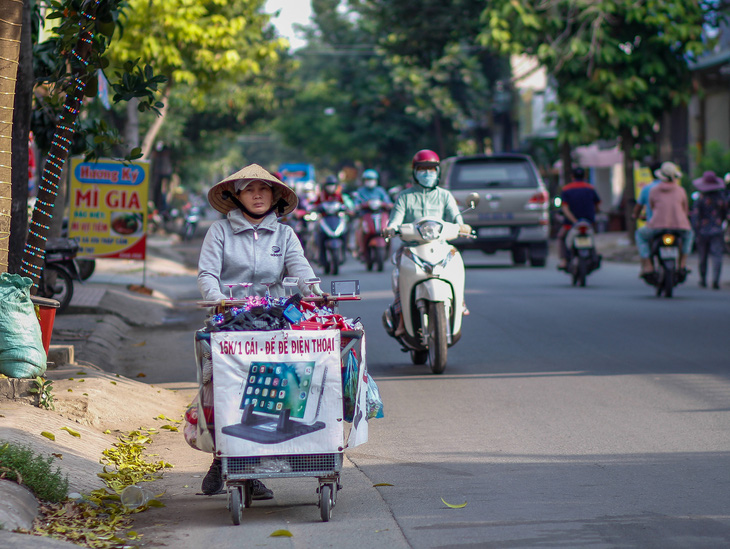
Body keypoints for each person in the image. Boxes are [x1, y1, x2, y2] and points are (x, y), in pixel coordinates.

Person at [197, 163, 324, 497]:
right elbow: (208, 274)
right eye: (250, 189)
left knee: (277, 385)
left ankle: (272, 455)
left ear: (274, 196)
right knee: (223, 387)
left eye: (264, 189)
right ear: (236, 196)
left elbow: (300, 272)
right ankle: (221, 458)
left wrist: (314, 290)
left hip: (275, 322)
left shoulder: (284, 234)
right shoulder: (219, 232)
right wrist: (218, 299)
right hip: (230, 321)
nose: (257, 195)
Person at [384, 149, 471, 333]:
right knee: (399, 277)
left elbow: (457, 218)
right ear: (414, 172)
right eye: (422, 169)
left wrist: (463, 227)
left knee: (456, 264)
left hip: (440, 246)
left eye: (431, 169)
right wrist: (391, 227)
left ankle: (459, 301)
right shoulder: (405, 197)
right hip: (412, 248)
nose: (427, 173)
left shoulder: (445, 195)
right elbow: (395, 220)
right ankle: (401, 318)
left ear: (438, 172)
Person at [636, 161, 693, 279]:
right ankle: (682, 263)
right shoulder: (681, 190)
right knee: (689, 235)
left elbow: (652, 208)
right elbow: (685, 210)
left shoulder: (652, 190)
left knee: (640, 235)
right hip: (679, 227)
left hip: (657, 226)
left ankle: (647, 265)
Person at [557, 166, 601, 270]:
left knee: (561, 237)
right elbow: (597, 205)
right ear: (584, 176)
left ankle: (564, 260)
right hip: (588, 222)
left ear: (572, 176)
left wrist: (574, 221)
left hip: (571, 224)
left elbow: (565, 208)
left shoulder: (566, 189)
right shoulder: (590, 188)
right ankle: (595, 253)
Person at [691, 171, 728, 289]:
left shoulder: (700, 198)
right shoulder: (722, 198)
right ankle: (716, 280)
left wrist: (695, 230)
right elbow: (726, 215)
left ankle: (703, 279)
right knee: (717, 256)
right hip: (717, 230)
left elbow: (695, 216)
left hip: (702, 231)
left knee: (703, 256)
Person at [353, 169, 391, 259]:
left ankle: (388, 247)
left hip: (380, 215)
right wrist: (358, 206)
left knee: (389, 228)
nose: (370, 182)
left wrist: (387, 204)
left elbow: (387, 201)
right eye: (368, 179)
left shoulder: (380, 191)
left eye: (372, 179)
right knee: (358, 228)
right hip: (365, 215)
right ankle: (359, 248)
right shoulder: (360, 191)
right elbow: (356, 203)